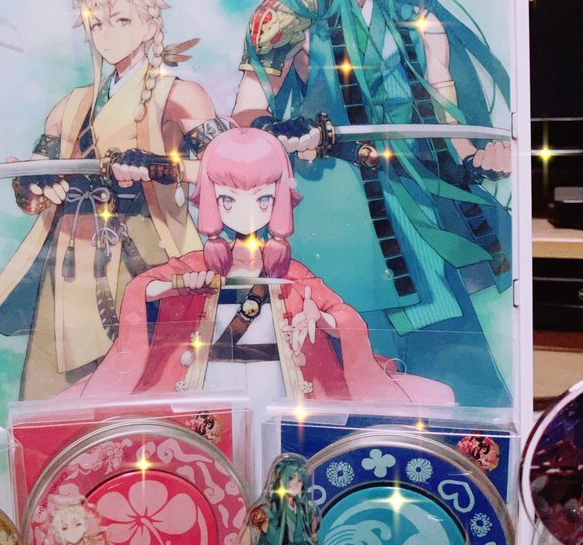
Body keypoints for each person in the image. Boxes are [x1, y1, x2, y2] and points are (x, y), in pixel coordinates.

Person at [234, 0, 513, 407]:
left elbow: (444, 115)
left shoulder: (415, 20)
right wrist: (285, 128)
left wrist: (477, 158)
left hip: (411, 190)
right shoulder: (296, 19)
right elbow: (248, 110)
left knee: (445, 337)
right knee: (344, 335)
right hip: (333, 198)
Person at [64, 126, 454, 409]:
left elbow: (343, 316)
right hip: (210, 382)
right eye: (229, 200)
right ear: (213, 200)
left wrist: (320, 317)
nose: (247, 212)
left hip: (278, 382)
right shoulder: (199, 264)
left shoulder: (292, 273)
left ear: (279, 199)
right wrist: (177, 285)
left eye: (263, 199)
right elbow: (142, 289)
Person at [0, 0, 225, 398]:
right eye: (97, 23)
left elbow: (232, 170)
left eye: (122, 20)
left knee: (150, 384)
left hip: (144, 251)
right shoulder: (71, 106)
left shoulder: (180, 96)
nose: (107, 34)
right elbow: (32, 192)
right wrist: (34, 183)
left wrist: (162, 166)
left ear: (150, 24)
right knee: (54, 396)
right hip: (68, 261)